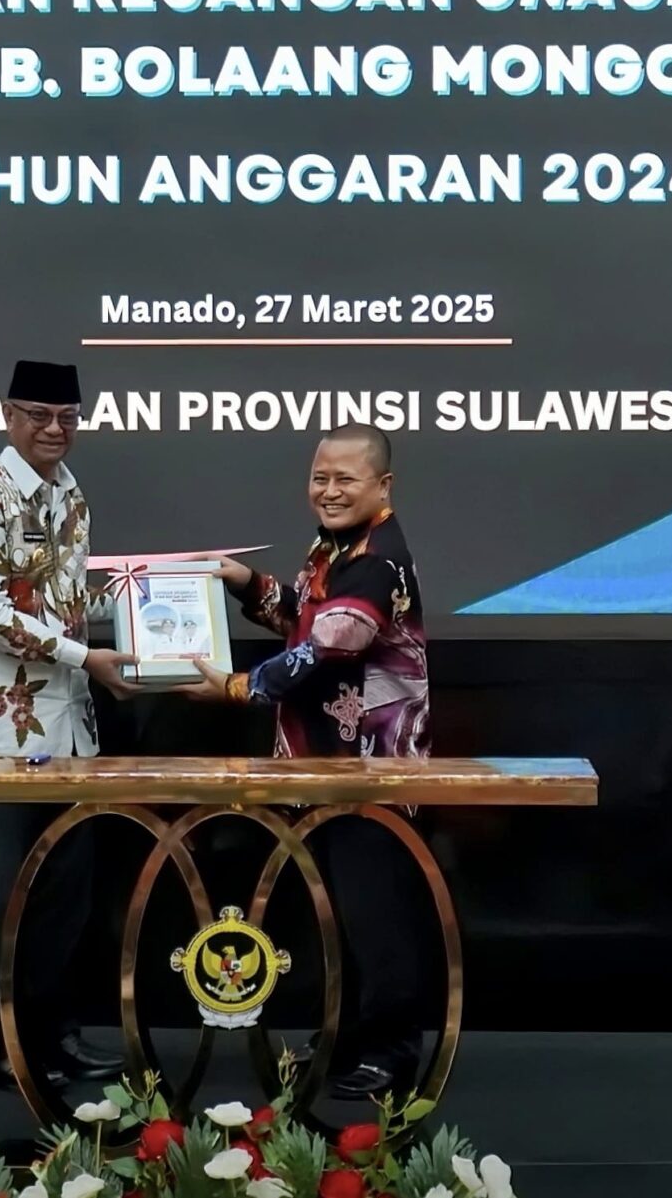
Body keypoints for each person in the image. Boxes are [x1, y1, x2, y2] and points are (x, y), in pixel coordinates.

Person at [178, 421, 433, 1099]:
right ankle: (347, 1034)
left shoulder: (377, 560)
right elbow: (304, 619)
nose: (329, 490)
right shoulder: (335, 548)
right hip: (325, 769)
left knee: (376, 917)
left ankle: (391, 1053)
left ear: (383, 485)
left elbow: (325, 648)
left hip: (370, 772)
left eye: (345, 478)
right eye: (320, 477)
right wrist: (244, 582)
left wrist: (236, 687)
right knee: (339, 915)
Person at [0, 359, 138, 1091]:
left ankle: (54, 1033)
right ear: (8, 414)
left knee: (64, 890)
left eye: (67, 418)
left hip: (67, 724)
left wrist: (152, 610)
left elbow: (65, 601)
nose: (55, 429)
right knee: (0, 895)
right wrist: (87, 656)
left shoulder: (70, 496)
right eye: (39, 415)